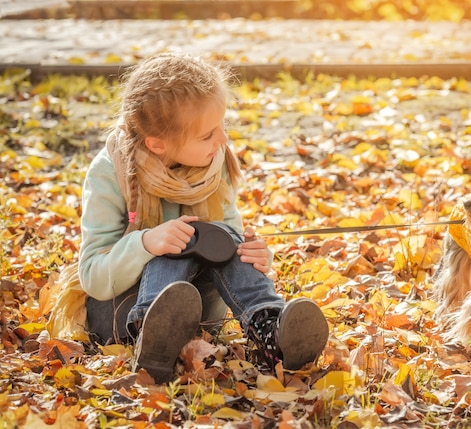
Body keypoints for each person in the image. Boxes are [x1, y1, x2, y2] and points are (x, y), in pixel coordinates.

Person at [78, 53, 329, 384]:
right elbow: (93, 276)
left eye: (221, 126)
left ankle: (272, 331)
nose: (222, 139)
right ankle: (152, 333)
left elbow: (229, 235)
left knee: (217, 236)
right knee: (180, 240)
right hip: (119, 312)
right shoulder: (110, 172)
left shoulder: (212, 162)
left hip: (196, 309)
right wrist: (145, 243)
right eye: (207, 134)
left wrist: (254, 253)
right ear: (157, 144)